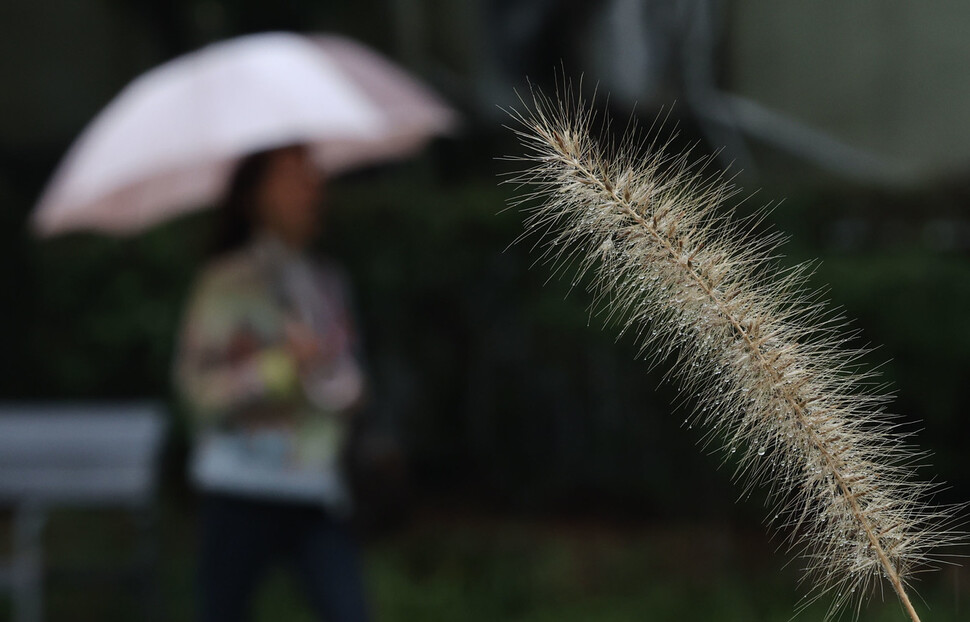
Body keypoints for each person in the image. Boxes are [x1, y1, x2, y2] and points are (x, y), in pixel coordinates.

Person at [174, 144, 370, 622]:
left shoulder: (326, 281)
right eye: (290, 175)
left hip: (315, 486)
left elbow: (349, 381)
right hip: (242, 488)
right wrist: (280, 368)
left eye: (312, 172)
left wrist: (342, 386)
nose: (310, 186)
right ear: (254, 194)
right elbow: (198, 394)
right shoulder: (227, 283)